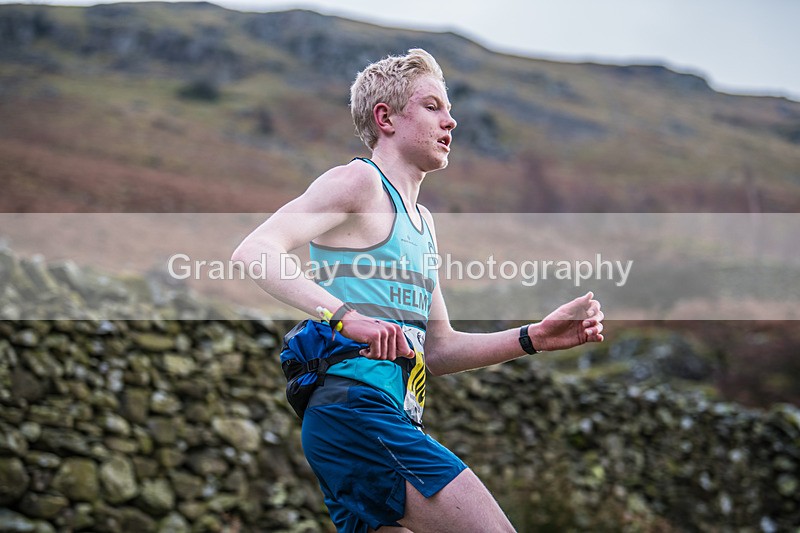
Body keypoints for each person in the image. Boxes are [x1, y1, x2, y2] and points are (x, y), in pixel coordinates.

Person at [232, 48, 604, 533]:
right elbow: (255, 250)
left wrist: (533, 337)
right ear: (385, 117)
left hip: (387, 418)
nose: (452, 122)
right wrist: (346, 317)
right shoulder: (358, 182)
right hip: (354, 411)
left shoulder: (424, 224)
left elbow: (439, 348)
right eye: (433, 107)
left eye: (449, 109)